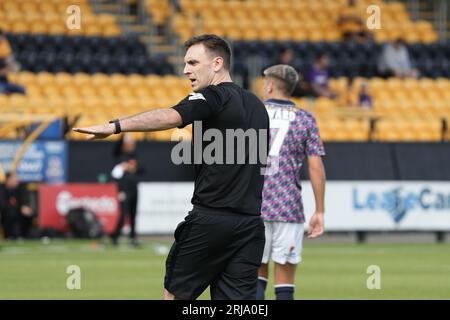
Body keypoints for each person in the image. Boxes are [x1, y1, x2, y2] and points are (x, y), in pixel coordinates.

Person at [73, 34, 270, 300]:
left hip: (211, 222)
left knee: (175, 296)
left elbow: (170, 116)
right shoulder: (258, 107)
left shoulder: (211, 96)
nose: (185, 70)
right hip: (250, 225)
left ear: (217, 63)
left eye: (192, 62)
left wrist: (114, 126)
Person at [256, 65, 326, 300]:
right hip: (288, 206)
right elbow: (315, 167)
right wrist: (320, 210)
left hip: (253, 205)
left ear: (271, 85)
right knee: (285, 282)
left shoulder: (253, 113)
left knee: (255, 276)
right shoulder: (306, 119)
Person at [110, 133, 142, 247]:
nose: (132, 145)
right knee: (123, 214)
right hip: (123, 189)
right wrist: (123, 130)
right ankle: (115, 236)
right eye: (130, 143)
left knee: (133, 214)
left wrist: (135, 168)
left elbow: (142, 169)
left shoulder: (134, 156)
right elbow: (117, 146)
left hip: (134, 189)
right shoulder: (119, 155)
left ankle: (133, 238)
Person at [0, 172, 34, 240]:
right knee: (9, 214)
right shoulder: (2, 188)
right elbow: (2, 204)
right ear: (8, 180)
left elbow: (25, 201)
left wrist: (25, 207)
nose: (16, 180)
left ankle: (24, 236)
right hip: (6, 212)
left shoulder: (21, 187)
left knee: (29, 214)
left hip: (19, 211)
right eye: (14, 178)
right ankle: (9, 236)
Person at [0, 29, 26, 95]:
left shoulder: (4, 52)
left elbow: (15, 67)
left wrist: (12, 65)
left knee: (22, 90)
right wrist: (8, 69)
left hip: (4, 83)